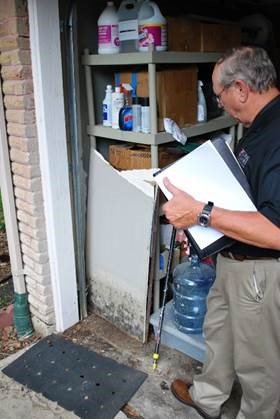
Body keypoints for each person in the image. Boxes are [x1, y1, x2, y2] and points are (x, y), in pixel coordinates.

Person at [162, 46, 280, 419]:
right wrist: (199, 226)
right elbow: (248, 200)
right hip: (235, 257)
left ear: (241, 88)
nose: (220, 102)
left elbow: (276, 230)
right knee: (219, 332)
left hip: (262, 271)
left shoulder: (278, 136)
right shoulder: (258, 127)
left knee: (259, 365)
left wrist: (201, 213)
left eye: (219, 93)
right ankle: (208, 397)